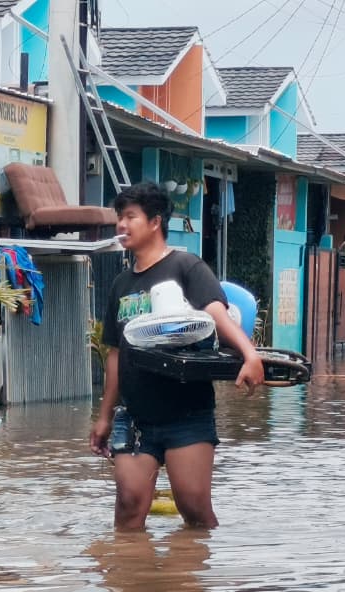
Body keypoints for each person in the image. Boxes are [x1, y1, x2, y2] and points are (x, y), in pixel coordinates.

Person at [89, 182, 264, 530]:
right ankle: (130, 567)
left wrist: (250, 354)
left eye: (130, 217)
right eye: (119, 217)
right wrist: (104, 416)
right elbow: (115, 354)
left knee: (195, 510)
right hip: (135, 417)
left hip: (186, 415)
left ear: (155, 222)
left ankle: (196, 567)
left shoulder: (186, 267)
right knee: (128, 508)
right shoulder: (121, 284)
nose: (121, 225)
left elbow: (216, 313)